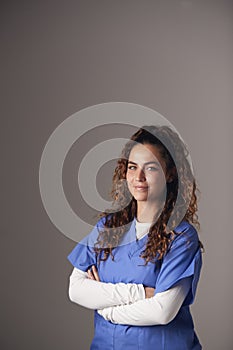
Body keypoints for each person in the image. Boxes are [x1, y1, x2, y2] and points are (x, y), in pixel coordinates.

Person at [67, 125, 203, 350]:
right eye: (132, 167)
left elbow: (162, 311)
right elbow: (76, 289)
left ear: (170, 173)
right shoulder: (108, 228)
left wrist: (106, 310)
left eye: (150, 168)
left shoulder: (181, 236)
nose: (138, 177)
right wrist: (141, 292)